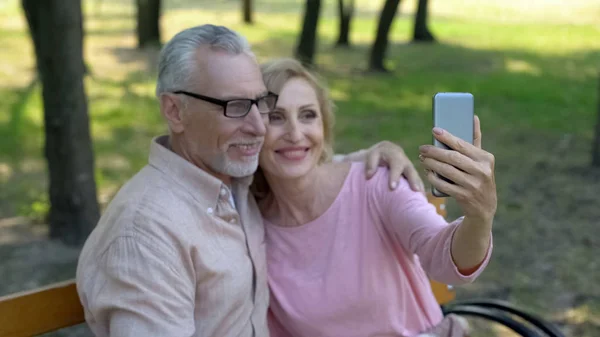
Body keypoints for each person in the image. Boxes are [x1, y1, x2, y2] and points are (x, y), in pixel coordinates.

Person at [75, 24, 421, 337]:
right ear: (174, 111)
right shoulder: (146, 237)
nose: (259, 127)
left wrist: (371, 155)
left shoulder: (233, 180)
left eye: (260, 103)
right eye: (235, 106)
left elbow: (300, 163)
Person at [255, 58, 497, 337]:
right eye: (275, 117)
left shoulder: (377, 182)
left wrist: (480, 216)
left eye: (308, 115)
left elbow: (445, 259)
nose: (295, 134)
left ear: (324, 126)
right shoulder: (248, 226)